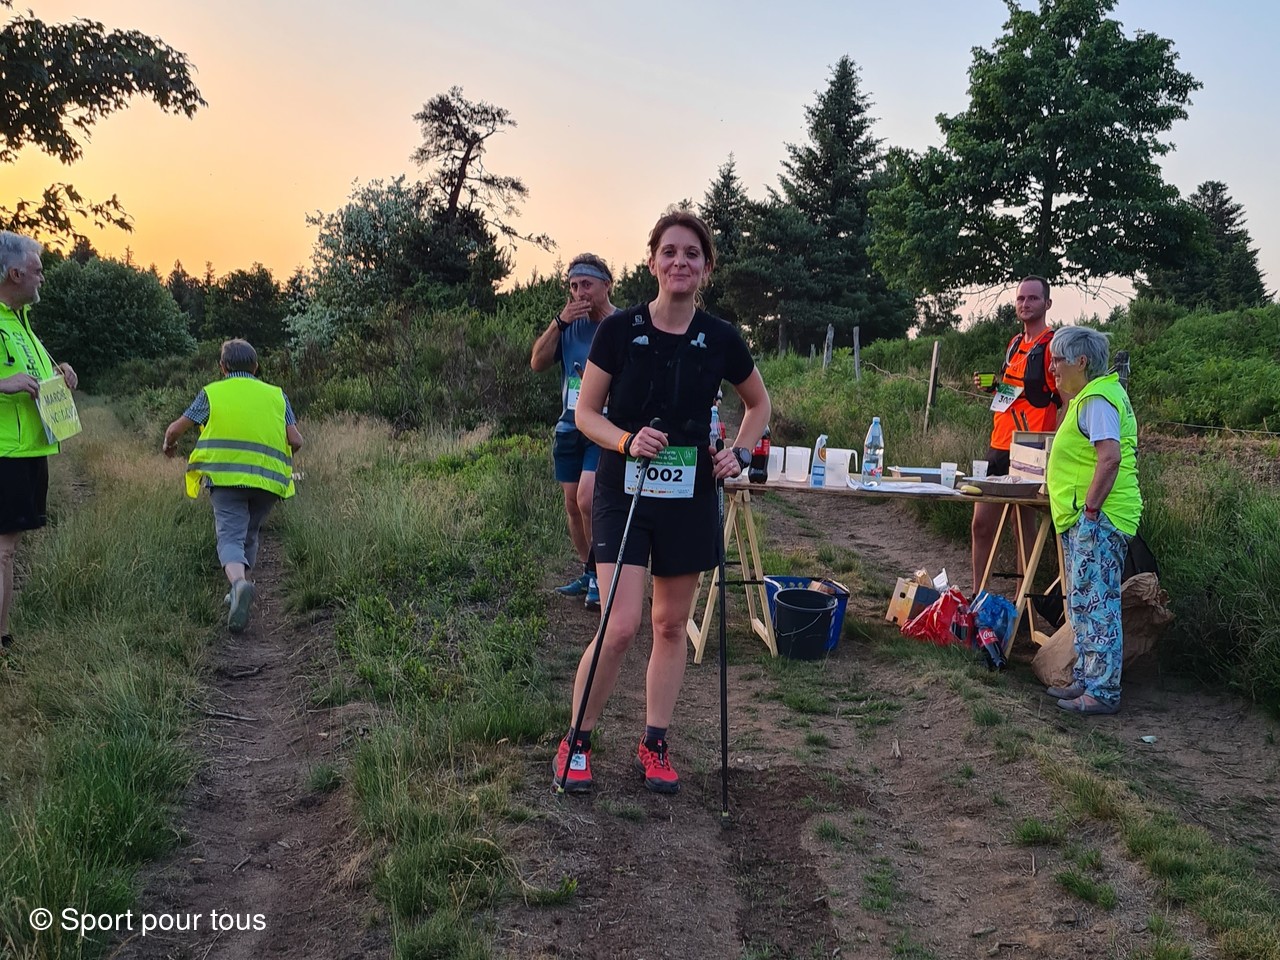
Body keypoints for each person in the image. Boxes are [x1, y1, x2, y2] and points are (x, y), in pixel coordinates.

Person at [552, 209, 771, 794]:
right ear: (651, 261)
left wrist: (739, 453)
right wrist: (626, 440)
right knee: (621, 624)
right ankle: (577, 739)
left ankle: (654, 743)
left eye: (692, 254)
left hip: (687, 492)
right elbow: (586, 414)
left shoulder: (721, 337)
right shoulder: (619, 330)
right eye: (669, 252)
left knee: (672, 624)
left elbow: (758, 405)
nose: (680, 262)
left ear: (706, 268)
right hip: (624, 488)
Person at [163, 339, 303, 633]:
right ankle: (239, 591)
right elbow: (296, 440)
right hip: (267, 482)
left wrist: (169, 445)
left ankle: (238, 584)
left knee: (229, 537)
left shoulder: (212, 393)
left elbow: (176, 429)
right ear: (256, 367)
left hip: (225, 479)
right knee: (249, 534)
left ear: (222, 367)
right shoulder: (277, 396)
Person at [1044, 326, 1141, 715]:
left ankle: (1102, 691)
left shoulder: (1097, 399)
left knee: (1097, 602)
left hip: (1101, 517)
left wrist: (1090, 511)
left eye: (1058, 360)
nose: (1053, 368)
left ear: (1081, 362)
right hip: (1088, 517)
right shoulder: (1089, 397)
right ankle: (1086, 678)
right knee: (1083, 600)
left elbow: (1110, 457)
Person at [0, 231, 78, 654]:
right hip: (5, 452)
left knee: (8, 550)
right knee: (3, 551)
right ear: (14, 274)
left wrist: (60, 371)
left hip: (30, 449)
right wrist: (3, 383)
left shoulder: (21, 321)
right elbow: (10, 379)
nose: (42, 278)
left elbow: (35, 373)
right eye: (37, 270)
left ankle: (4, 637)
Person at [530, 253, 618, 611]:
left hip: (604, 423)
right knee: (571, 503)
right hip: (569, 424)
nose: (579, 293)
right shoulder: (568, 325)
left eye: (587, 285)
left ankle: (601, 575)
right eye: (573, 286)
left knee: (587, 497)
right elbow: (537, 362)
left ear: (606, 286)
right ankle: (589, 570)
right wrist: (558, 323)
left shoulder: (621, 324)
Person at [970, 276, 1061, 593]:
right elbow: (1017, 392)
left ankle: (1025, 604)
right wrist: (994, 388)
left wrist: (1055, 444)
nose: (1025, 304)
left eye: (1033, 298)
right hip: (999, 444)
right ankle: (978, 597)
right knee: (981, 524)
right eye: (1021, 298)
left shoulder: (1052, 346)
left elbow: (1061, 397)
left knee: (1022, 527)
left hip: (1031, 448)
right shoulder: (1014, 343)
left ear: (1047, 303)